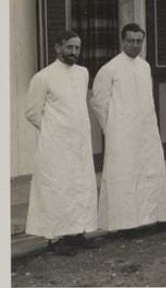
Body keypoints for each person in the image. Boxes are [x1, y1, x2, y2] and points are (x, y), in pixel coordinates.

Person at [91, 23, 166, 236]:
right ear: (122, 41)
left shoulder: (144, 67)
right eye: (131, 40)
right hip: (122, 133)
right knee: (124, 176)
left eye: (139, 41)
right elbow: (98, 103)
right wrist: (113, 129)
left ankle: (150, 217)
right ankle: (123, 224)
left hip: (145, 131)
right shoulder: (110, 69)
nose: (135, 45)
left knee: (148, 172)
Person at [24, 31, 99, 255]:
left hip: (79, 144)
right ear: (58, 48)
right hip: (55, 146)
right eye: (69, 47)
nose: (74, 52)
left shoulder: (83, 73)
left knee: (78, 188)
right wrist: (53, 131)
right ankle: (56, 239)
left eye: (77, 48)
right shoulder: (43, 77)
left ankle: (76, 233)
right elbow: (31, 112)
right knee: (57, 189)